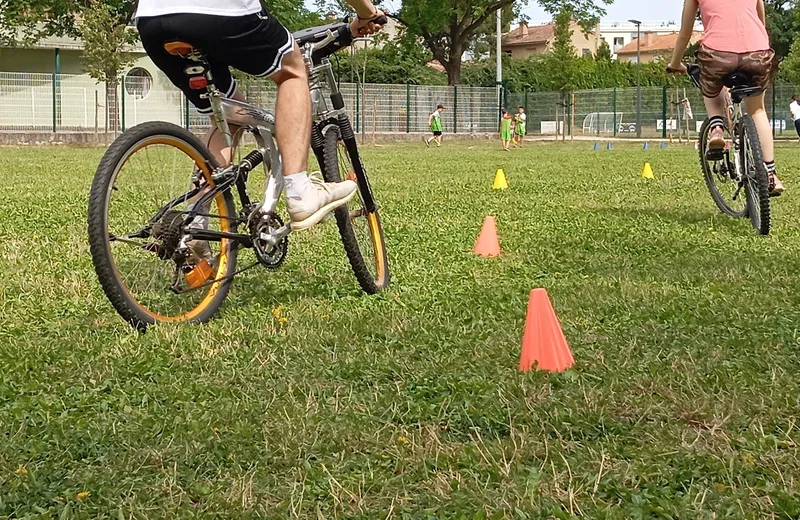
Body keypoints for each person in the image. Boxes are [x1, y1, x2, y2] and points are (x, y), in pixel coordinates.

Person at [135, 0, 385, 231]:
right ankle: (300, 192)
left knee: (230, 114)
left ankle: (196, 223)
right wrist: (366, 12)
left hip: (152, 20)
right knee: (293, 69)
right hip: (221, 10)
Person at [668, 0, 784, 196]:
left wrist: (675, 63)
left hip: (717, 54)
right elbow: (761, 23)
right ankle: (771, 175)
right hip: (757, 54)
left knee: (710, 87)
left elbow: (684, 35)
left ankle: (717, 129)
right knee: (757, 110)